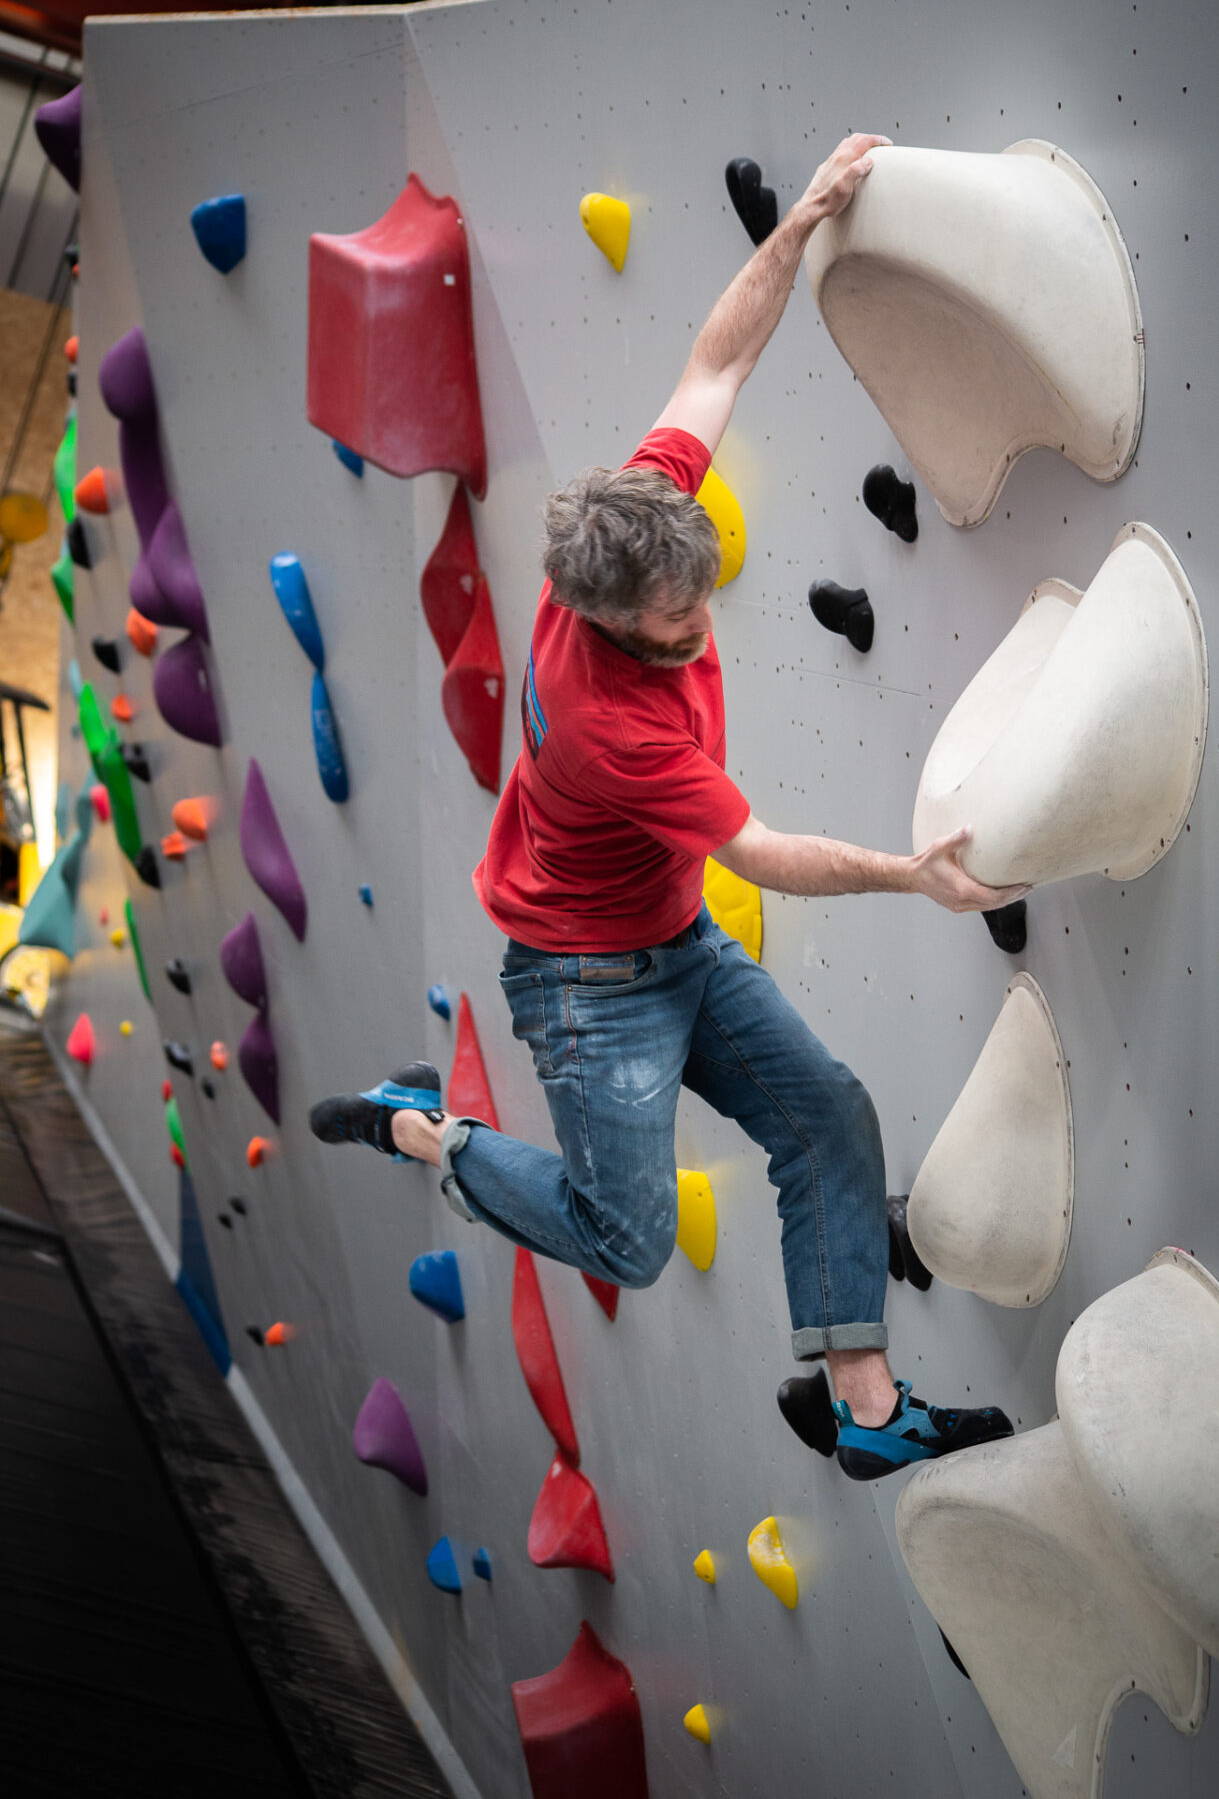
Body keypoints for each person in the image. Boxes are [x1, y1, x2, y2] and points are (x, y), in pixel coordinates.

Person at [311, 132, 1028, 1481]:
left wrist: (802, 221)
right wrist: (912, 874)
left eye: (702, 587)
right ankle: (431, 1130)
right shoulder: (611, 725)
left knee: (827, 1112)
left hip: (673, 938)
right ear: (608, 617)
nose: (704, 619)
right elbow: (768, 853)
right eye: (679, 612)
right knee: (628, 1241)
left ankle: (866, 1414)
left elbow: (716, 359)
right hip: (587, 985)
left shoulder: (635, 517)